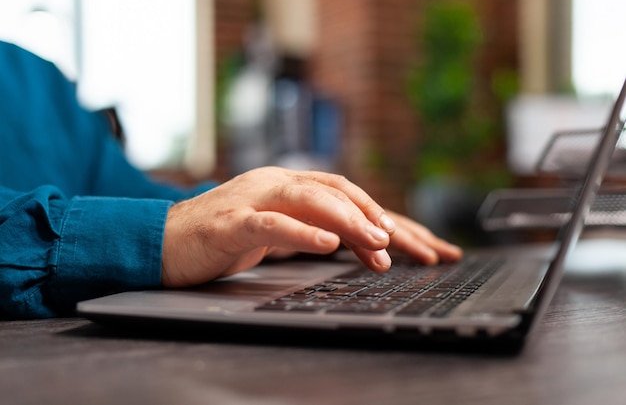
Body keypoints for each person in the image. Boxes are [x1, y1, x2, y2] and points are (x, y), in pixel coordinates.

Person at [0, 40, 462, 319]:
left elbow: (137, 198)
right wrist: (160, 237)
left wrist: (275, 216)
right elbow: (165, 228)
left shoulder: (37, 78)